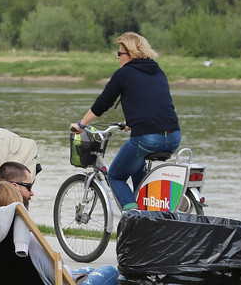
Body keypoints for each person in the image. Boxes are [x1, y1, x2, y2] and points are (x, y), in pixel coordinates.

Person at [71, 32, 180, 211]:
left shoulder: (124, 74)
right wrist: (133, 120)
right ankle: (148, 212)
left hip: (148, 138)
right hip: (174, 136)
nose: (118, 58)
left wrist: (81, 125)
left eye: (119, 53)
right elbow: (154, 101)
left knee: (115, 176)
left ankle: (134, 219)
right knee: (137, 167)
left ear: (131, 53)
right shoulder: (157, 70)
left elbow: (103, 103)